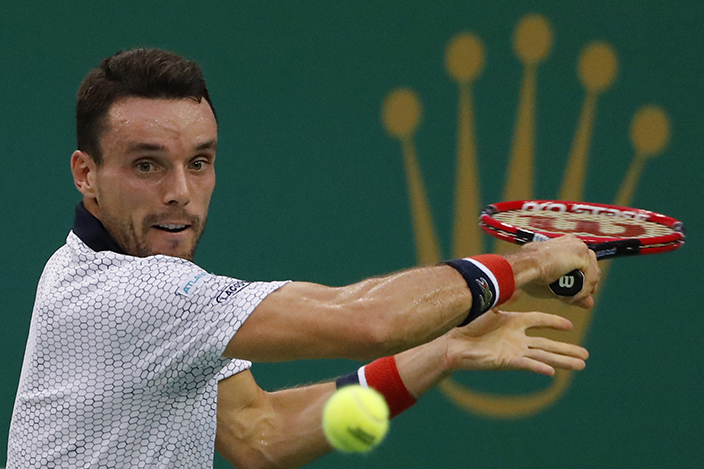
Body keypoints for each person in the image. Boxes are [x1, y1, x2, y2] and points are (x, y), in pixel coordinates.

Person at [6, 48, 599, 468]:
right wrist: (531, 265)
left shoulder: (143, 297)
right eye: (146, 165)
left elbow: (261, 436)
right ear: (87, 175)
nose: (180, 192)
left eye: (199, 162)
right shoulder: (133, 294)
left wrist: (442, 350)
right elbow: (368, 321)